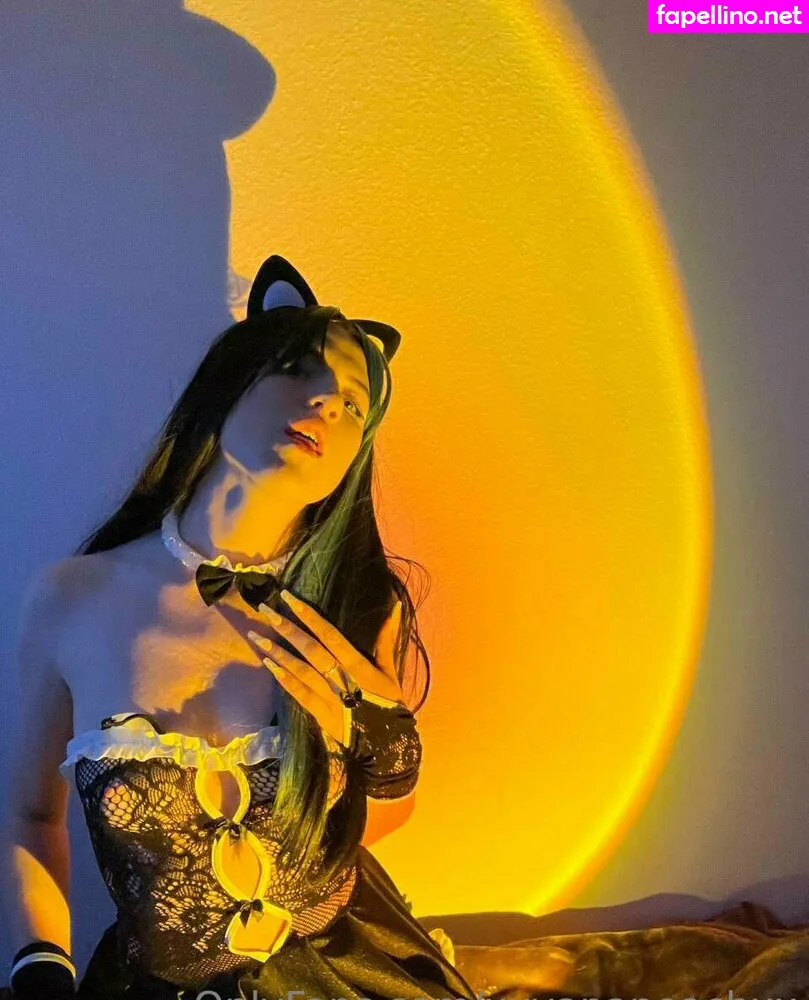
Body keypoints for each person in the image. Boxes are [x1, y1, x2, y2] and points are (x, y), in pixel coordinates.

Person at [0, 256, 482, 1000]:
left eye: (354, 404)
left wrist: (380, 746)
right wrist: (39, 967)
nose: (325, 403)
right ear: (228, 381)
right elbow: (32, 815)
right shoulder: (71, 597)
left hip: (342, 975)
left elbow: (377, 822)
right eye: (298, 369)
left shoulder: (360, 604)